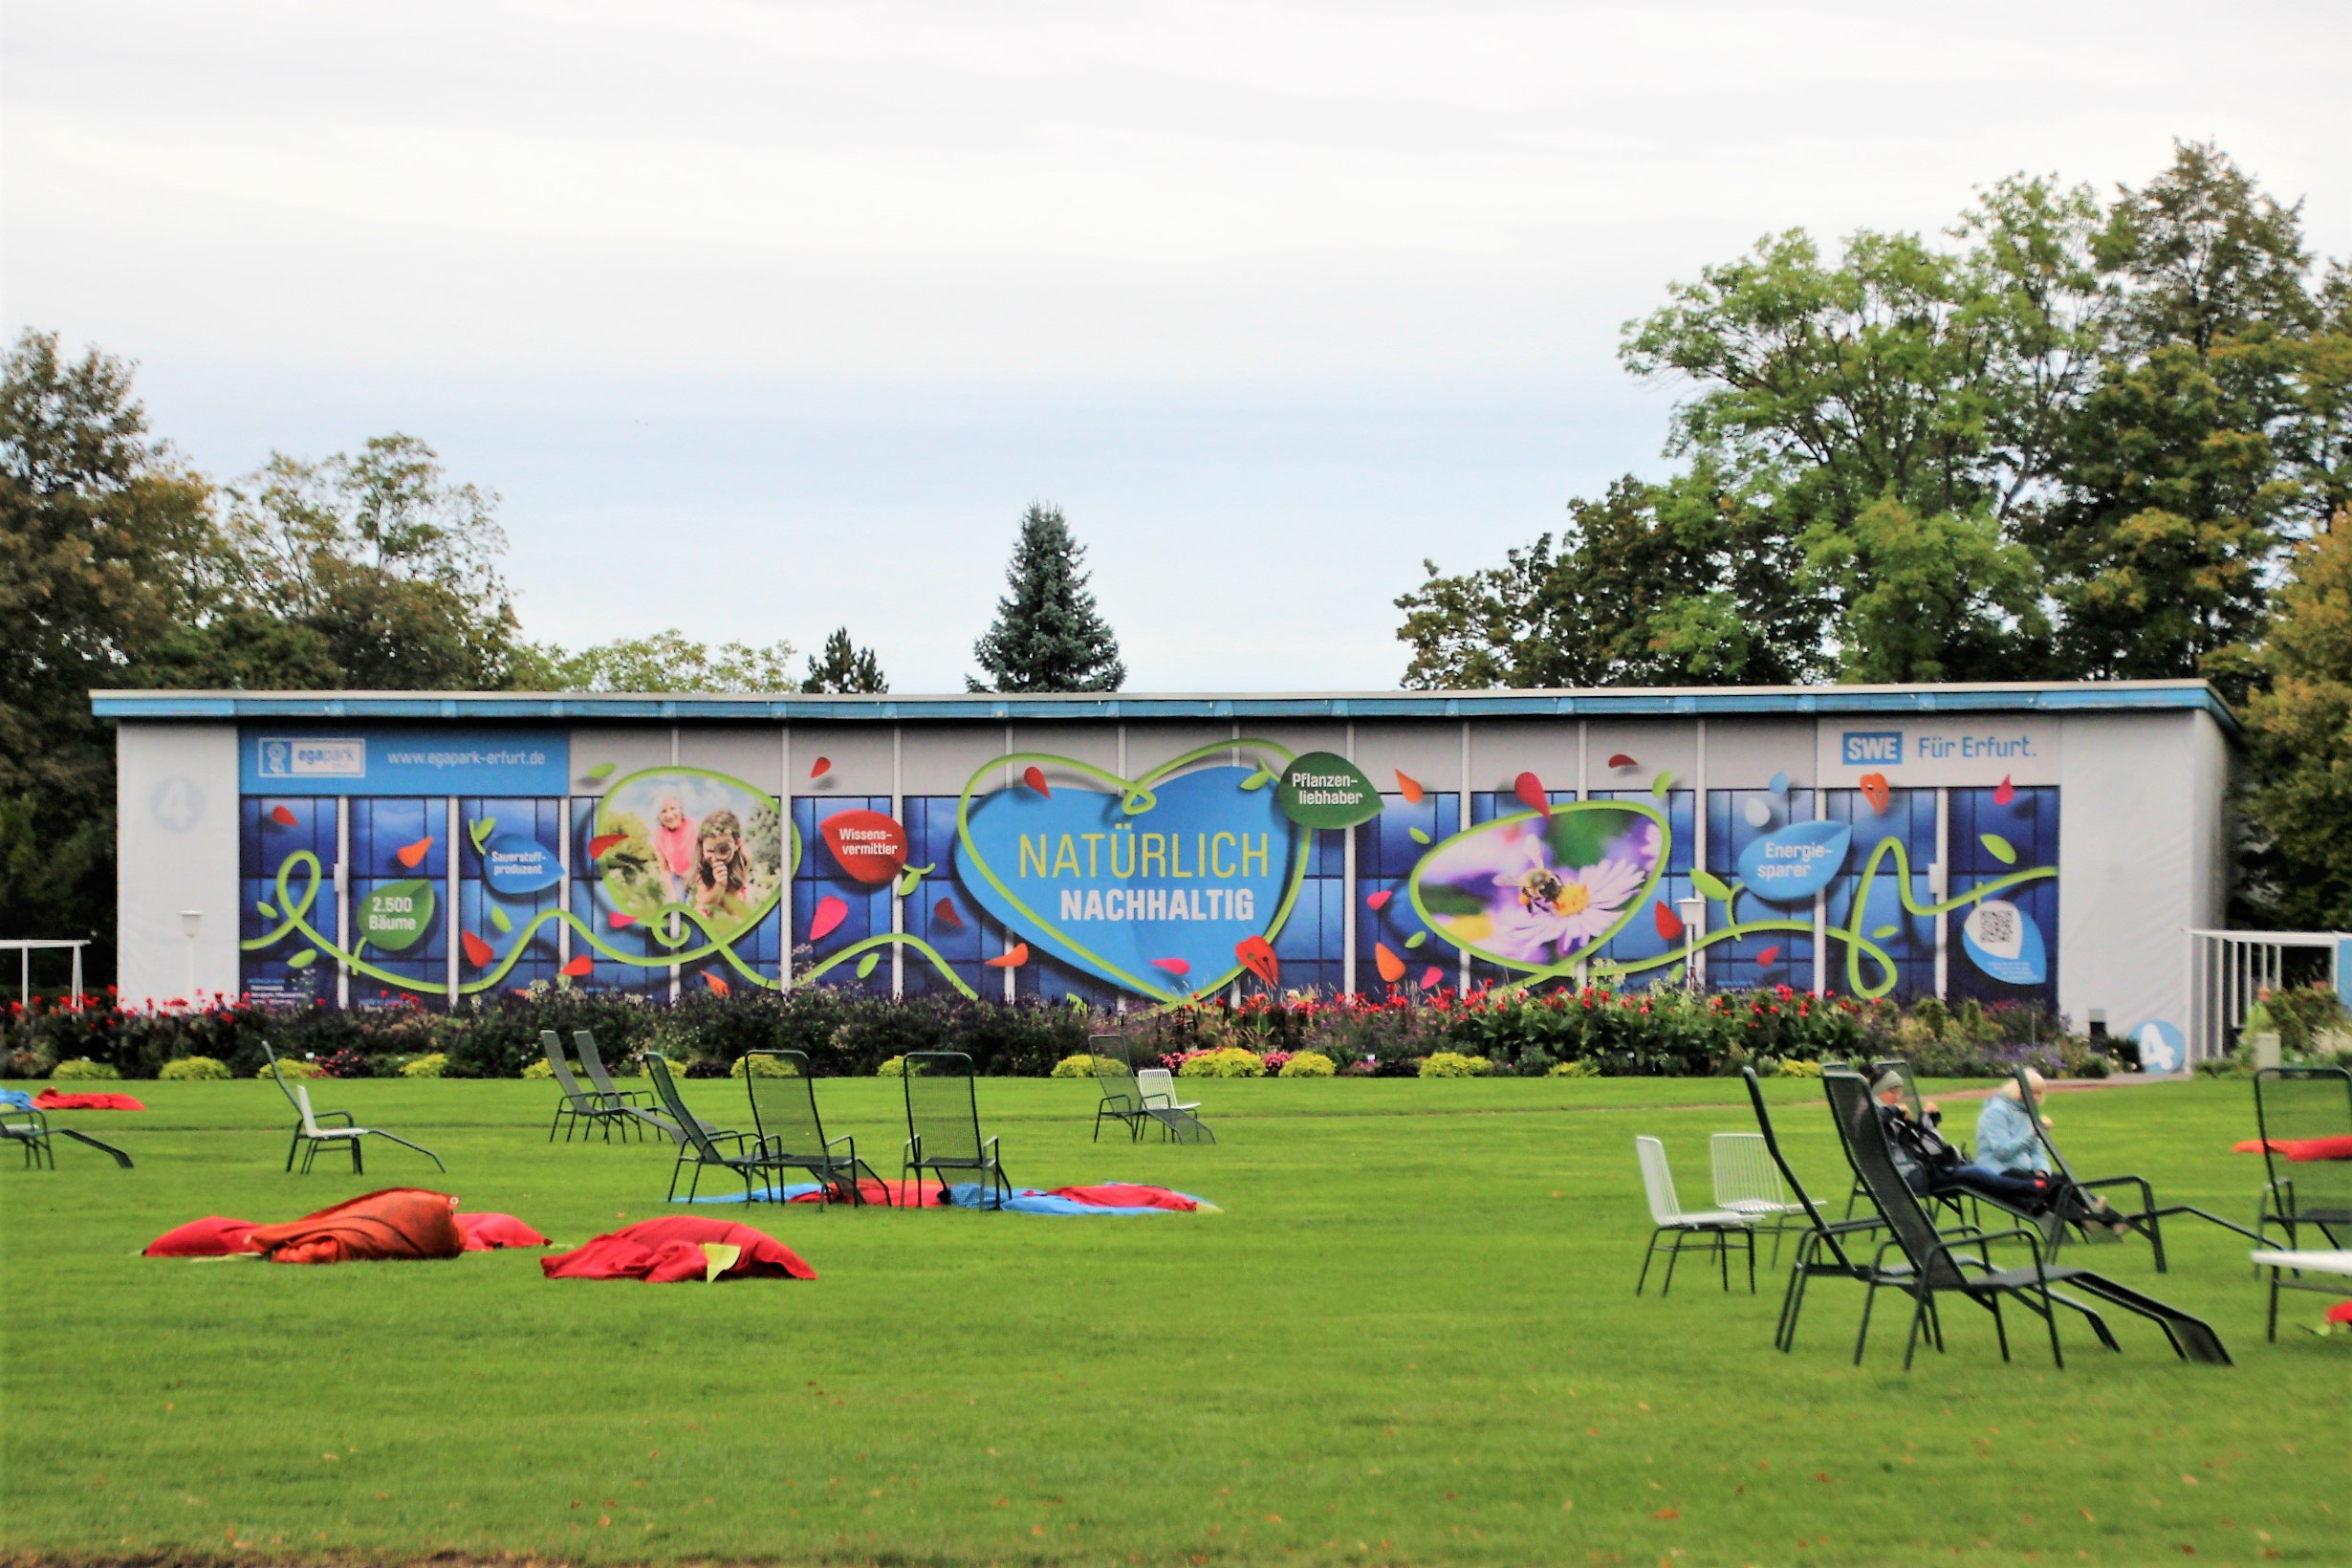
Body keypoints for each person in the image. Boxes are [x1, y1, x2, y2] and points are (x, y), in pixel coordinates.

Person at [691, 810, 751, 924]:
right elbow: (703, 902)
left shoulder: (744, 858)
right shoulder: (702, 864)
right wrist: (720, 885)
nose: (715, 858)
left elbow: (734, 905)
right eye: (709, 851)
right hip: (709, 911)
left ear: (737, 844)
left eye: (723, 850)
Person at [650, 795, 696, 906]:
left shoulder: (694, 825)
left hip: (699, 873)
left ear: (680, 809)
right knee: (674, 907)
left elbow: (706, 855)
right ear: (658, 815)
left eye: (673, 808)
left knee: (695, 906)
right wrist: (672, 896)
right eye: (663, 811)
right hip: (678, 877)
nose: (670, 815)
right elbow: (664, 869)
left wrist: (693, 872)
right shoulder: (658, 835)